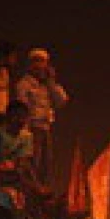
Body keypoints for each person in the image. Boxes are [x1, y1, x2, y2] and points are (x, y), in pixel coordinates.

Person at [16, 48, 69, 184]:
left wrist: (51, 81)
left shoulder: (47, 85)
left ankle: (42, 188)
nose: (39, 65)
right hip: (32, 128)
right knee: (33, 163)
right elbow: (21, 108)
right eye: (36, 61)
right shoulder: (24, 84)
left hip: (46, 128)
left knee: (46, 164)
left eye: (43, 62)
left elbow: (62, 101)